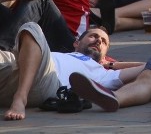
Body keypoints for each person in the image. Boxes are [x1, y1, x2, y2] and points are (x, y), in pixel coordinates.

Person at [0, 24, 143, 121]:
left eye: (104, 42)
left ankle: (20, 98)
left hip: (46, 82)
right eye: (93, 36)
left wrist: (112, 64)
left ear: (105, 54)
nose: (99, 40)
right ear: (76, 43)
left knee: (31, 27)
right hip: (13, 72)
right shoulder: (62, 55)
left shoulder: (103, 74)